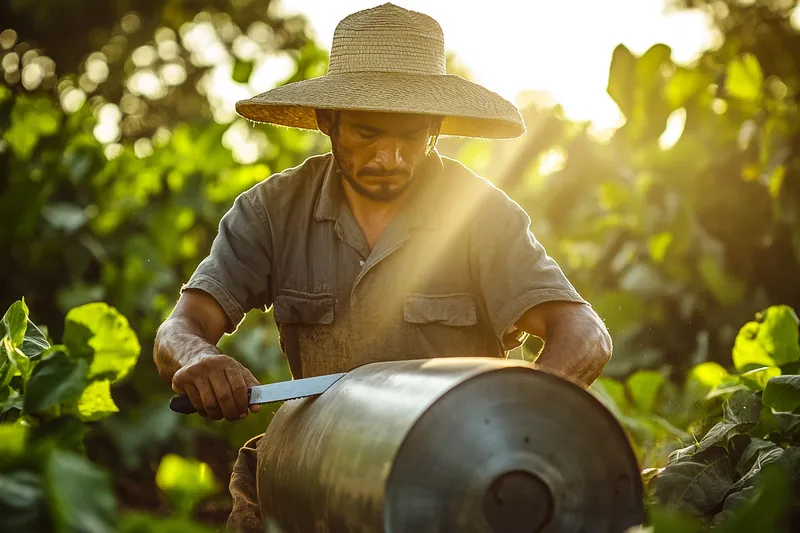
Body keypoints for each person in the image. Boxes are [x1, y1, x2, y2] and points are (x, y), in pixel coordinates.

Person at [154, 3, 612, 531]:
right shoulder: (270, 212)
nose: (389, 159)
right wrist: (197, 357)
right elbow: (180, 328)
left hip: (459, 476)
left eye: (411, 137)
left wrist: (517, 419)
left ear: (437, 128)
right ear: (328, 121)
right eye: (368, 134)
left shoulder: (480, 213)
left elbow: (584, 336)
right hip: (316, 467)